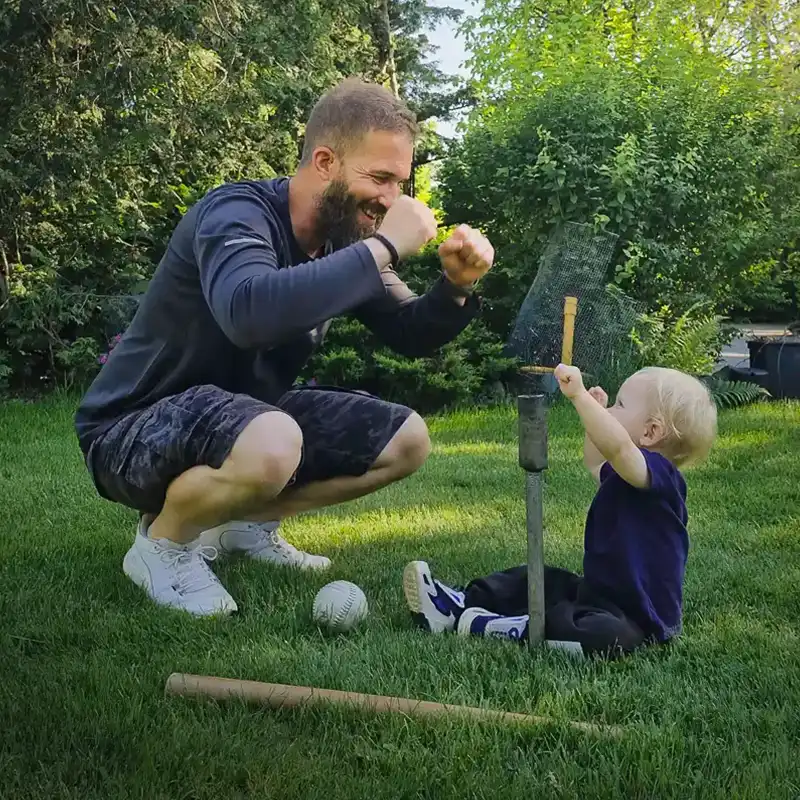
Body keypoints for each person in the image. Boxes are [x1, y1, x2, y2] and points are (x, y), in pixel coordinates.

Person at [75, 79, 494, 616]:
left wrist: (455, 286)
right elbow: (248, 314)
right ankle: (165, 544)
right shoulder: (236, 214)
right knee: (273, 439)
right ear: (324, 161)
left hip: (244, 420)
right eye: (380, 178)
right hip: (130, 428)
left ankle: (240, 529)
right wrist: (386, 246)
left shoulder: (344, 244)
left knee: (406, 439)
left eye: (400, 182)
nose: (392, 199)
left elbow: (409, 331)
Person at [402, 364, 717, 657]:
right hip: (597, 593)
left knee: (605, 636)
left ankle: (508, 628)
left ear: (650, 432)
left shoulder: (660, 476)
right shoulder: (628, 473)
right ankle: (457, 602)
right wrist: (591, 418)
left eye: (619, 405)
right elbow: (597, 462)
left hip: (636, 619)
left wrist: (581, 398)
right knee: (538, 579)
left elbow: (619, 448)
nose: (609, 411)